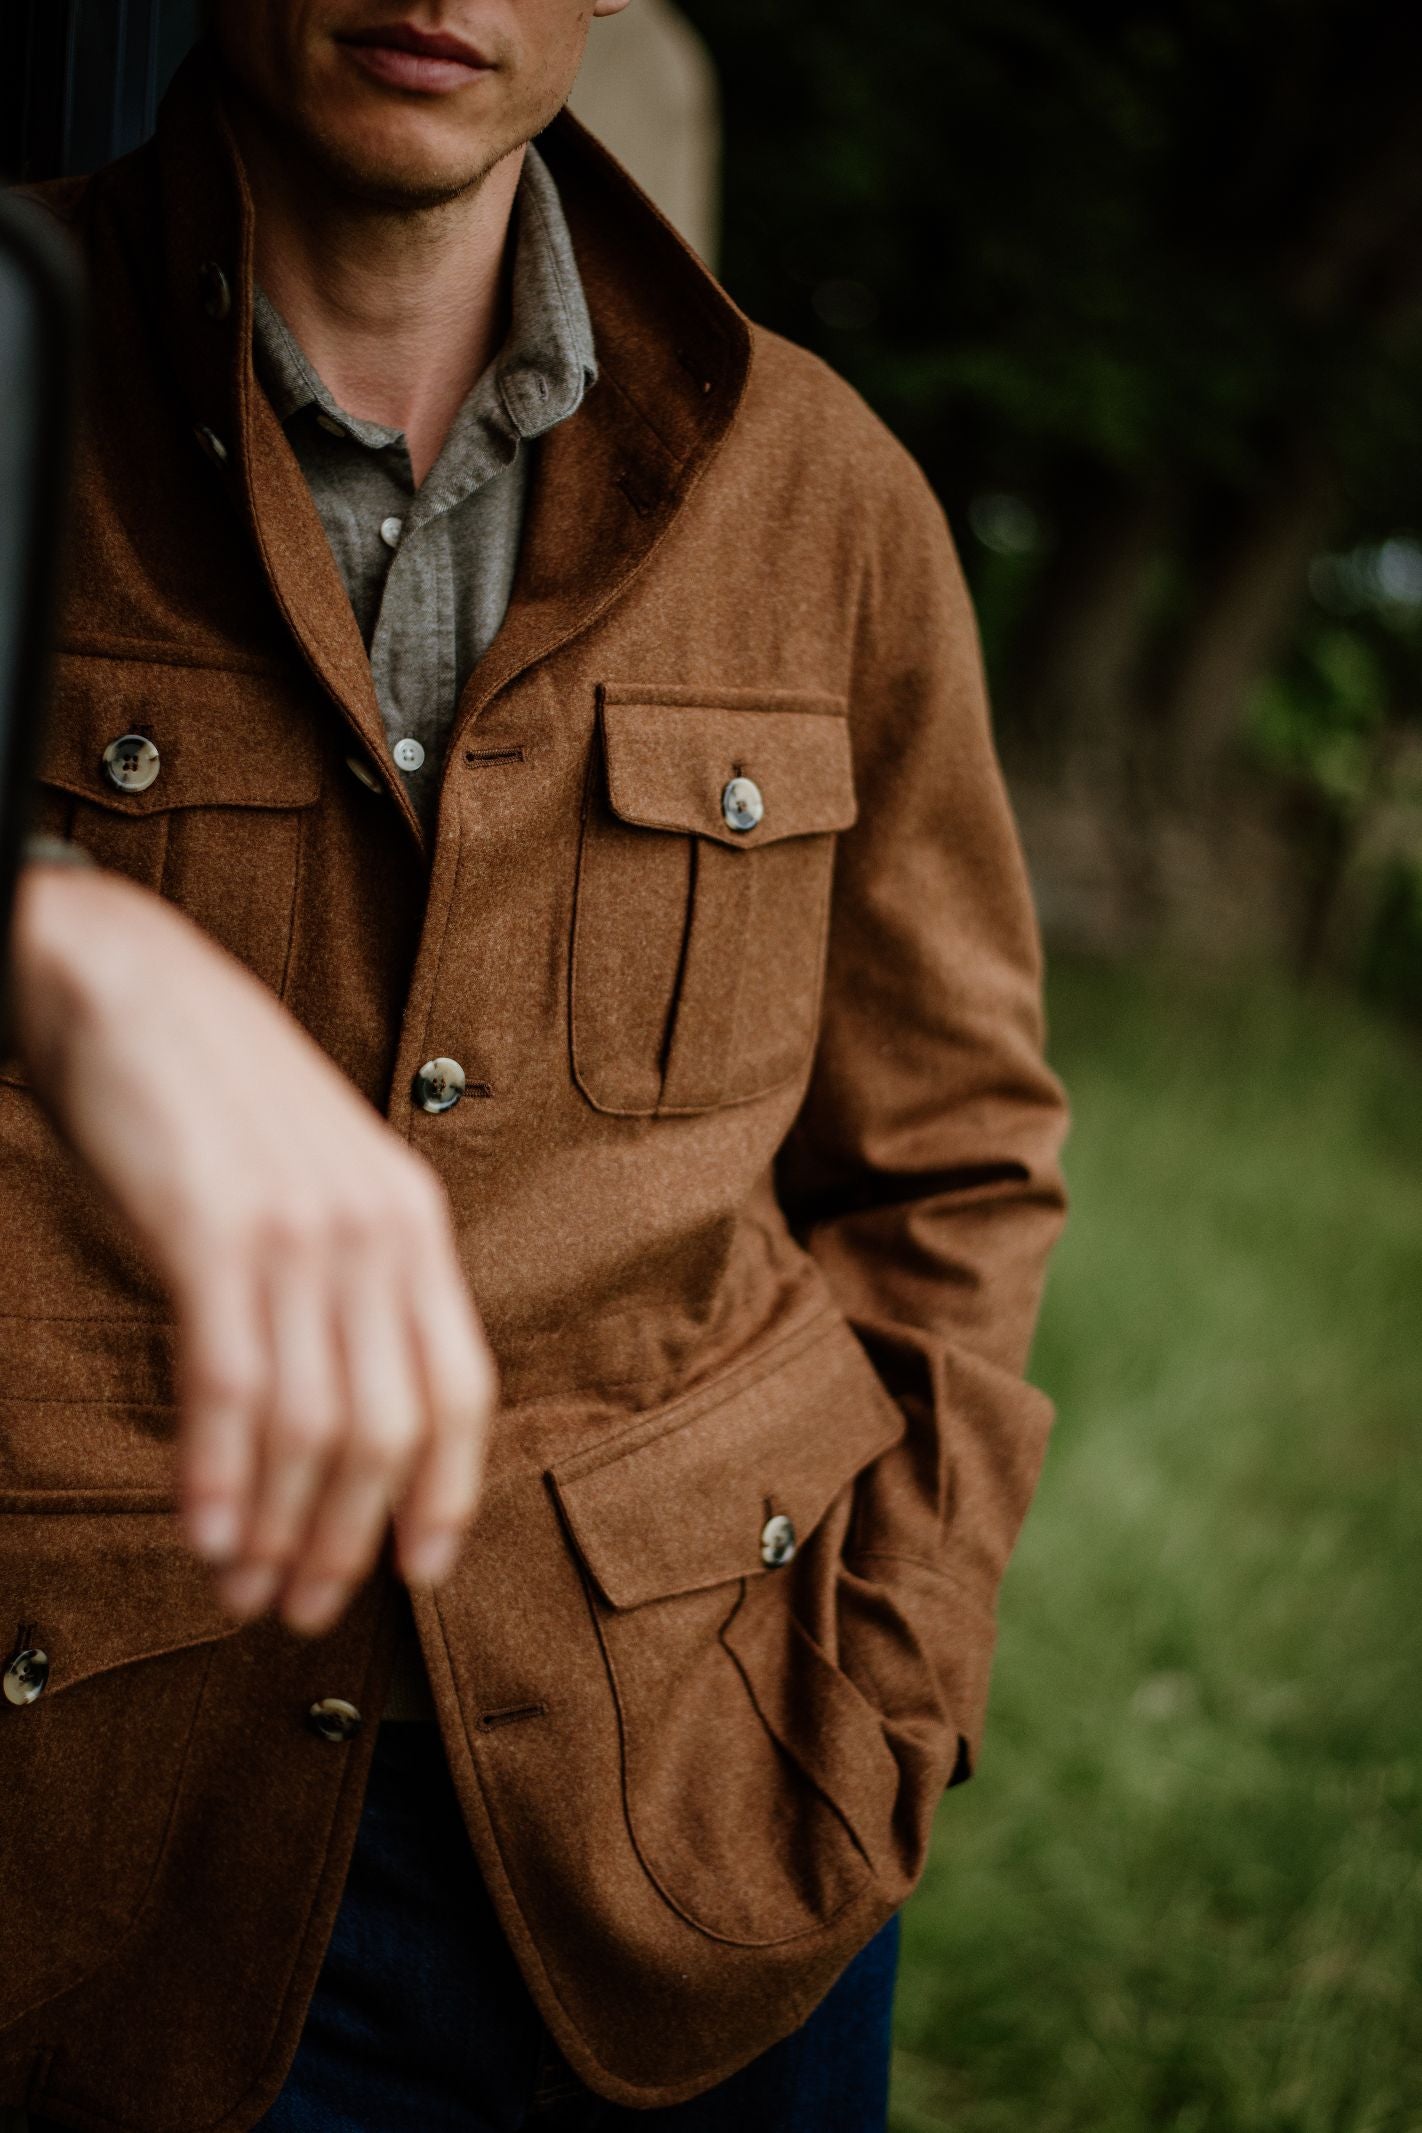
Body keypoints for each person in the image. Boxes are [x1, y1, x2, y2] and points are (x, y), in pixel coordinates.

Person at [0, 4, 1070, 2129]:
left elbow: (955, 1156)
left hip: (697, 1831)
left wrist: (886, 1691)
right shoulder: (11, 366)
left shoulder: (824, 488)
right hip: (92, 1873)